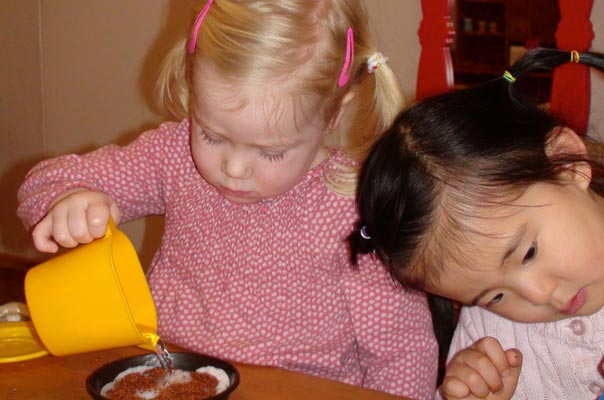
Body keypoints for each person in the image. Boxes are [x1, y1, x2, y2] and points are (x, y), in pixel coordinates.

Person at [17, 1, 439, 398]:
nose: (233, 168)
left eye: (270, 151)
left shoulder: (355, 208)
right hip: (172, 377)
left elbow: (402, 352)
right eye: (212, 135)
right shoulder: (173, 155)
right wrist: (69, 199)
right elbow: (45, 181)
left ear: (333, 113)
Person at [349, 47, 604, 399]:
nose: (538, 295)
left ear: (565, 164)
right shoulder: (489, 337)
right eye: (494, 296)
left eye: (528, 253)